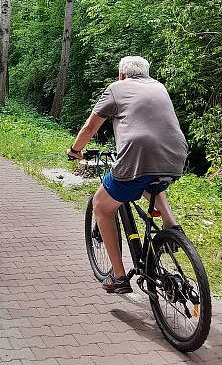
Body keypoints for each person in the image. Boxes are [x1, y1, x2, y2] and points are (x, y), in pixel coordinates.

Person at [68, 56, 187, 294]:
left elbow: (91, 127)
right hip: (175, 155)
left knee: (101, 206)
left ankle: (119, 276)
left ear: (122, 74)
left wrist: (75, 151)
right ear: (146, 73)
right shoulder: (159, 87)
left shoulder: (117, 88)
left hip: (136, 155)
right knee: (149, 181)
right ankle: (171, 227)